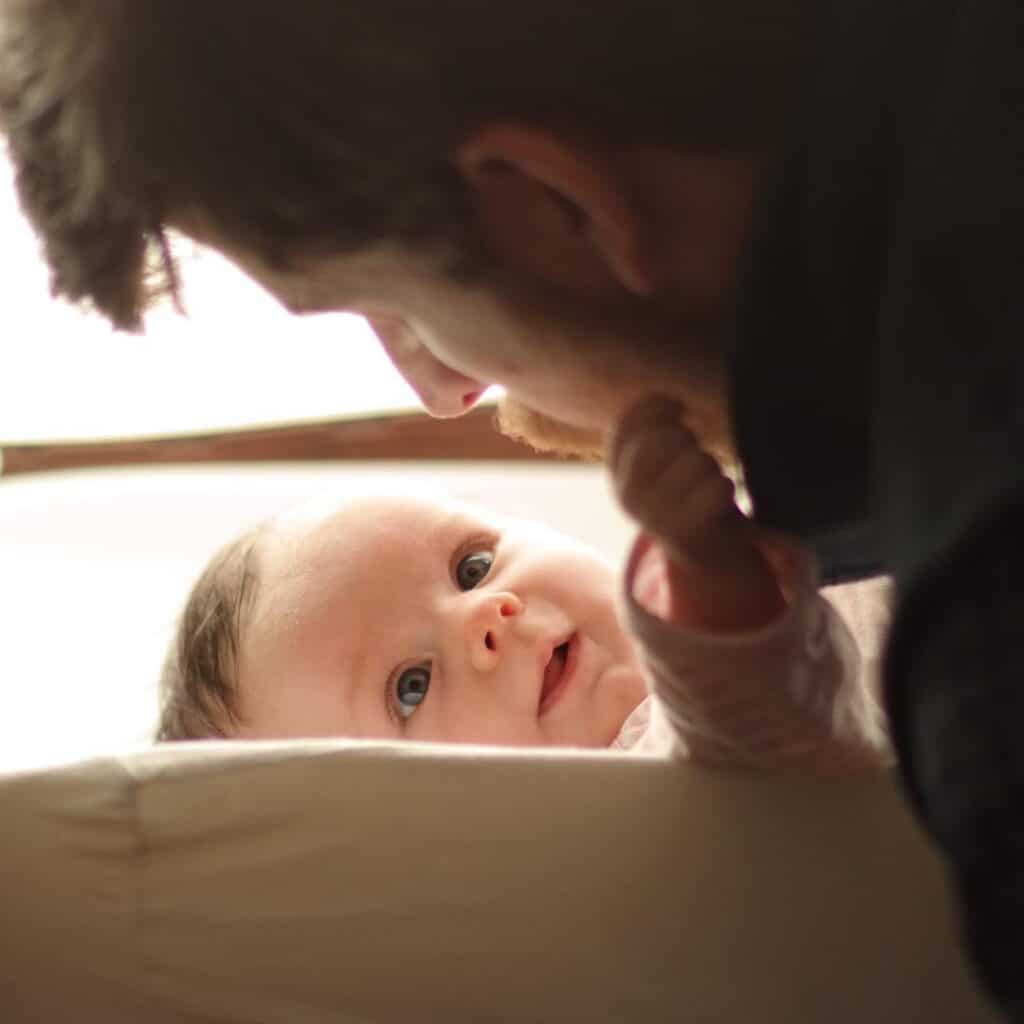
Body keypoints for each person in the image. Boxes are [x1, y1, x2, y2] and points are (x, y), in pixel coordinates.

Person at [2, 0, 1021, 1014]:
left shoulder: (978, 624)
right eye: (408, 687)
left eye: (473, 564)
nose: (442, 394)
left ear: (555, 201)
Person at [158, 396, 885, 775]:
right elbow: (766, 748)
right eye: (410, 686)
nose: (486, 613)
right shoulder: (611, 812)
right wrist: (715, 586)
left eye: (472, 565)